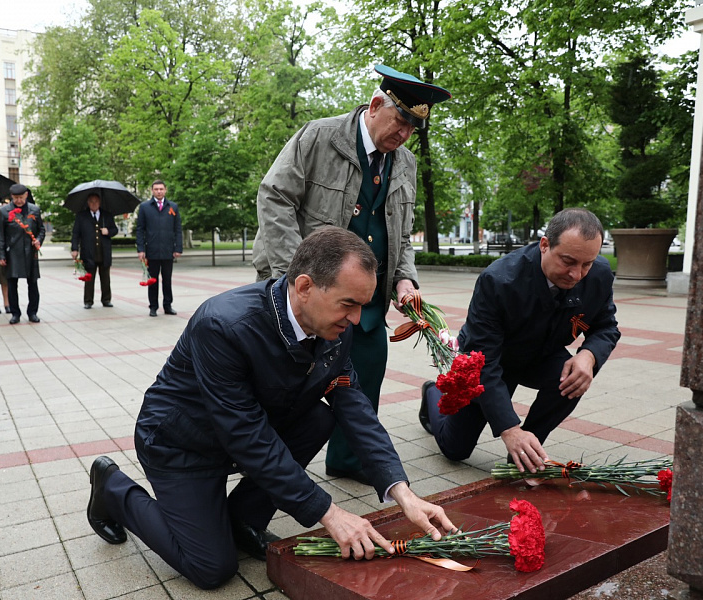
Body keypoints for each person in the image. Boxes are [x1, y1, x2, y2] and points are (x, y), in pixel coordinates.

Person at [86, 228, 455, 590]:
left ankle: (241, 518)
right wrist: (330, 513)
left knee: (318, 419)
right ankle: (113, 490)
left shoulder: (336, 327)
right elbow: (246, 434)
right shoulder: (223, 325)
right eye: (348, 304)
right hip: (182, 442)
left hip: (248, 428)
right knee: (211, 568)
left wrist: (403, 493)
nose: (356, 319)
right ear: (306, 287)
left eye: (362, 305)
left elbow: (353, 405)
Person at [252, 64, 451, 485]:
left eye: (414, 128)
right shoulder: (320, 136)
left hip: (367, 300)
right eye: (400, 121)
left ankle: (348, 459)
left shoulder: (406, 164)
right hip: (308, 294)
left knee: (367, 374)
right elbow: (274, 197)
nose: (404, 134)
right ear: (376, 105)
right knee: (286, 385)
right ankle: (267, 473)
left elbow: (401, 233)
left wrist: (404, 280)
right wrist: (295, 278)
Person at [419, 208, 621, 474]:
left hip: (539, 356)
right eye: (568, 261)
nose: (577, 275)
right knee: (455, 449)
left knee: (572, 378)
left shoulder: (599, 275)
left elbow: (606, 326)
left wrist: (589, 355)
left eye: (587, 264)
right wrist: (509, 429)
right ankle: (432, 392)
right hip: (487, 361)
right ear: (545, 245)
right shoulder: (498, 281)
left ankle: (526, 452)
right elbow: (486, 363)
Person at [0, 183, 45, 324]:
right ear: (11, 197)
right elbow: (0, 235)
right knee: (12, 285)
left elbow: (41, 229)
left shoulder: (34, 210)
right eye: (16, 198)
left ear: (26, 195)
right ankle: (15, 313)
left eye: (21, 197)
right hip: (12, 252)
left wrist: (38, 240)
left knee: (33, 283)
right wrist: (1, 255)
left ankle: (32, 312)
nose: (19, 201)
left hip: (30, 252)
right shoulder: (4, 211)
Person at [136, 179, 182, 316]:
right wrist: (141, 249)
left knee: (167, 279)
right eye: (156, 189)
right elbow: (140, 229)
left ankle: (167, 305)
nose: (159, 191)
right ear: (152, 191)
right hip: (152, 250)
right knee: (153, 280)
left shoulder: (172, 207)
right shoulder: (145, 207)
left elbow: (178, 229)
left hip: (168, 250)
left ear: (165, 190)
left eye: (161, 189)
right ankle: (153, 306)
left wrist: (178, 248)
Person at [71, 193, 119, 309]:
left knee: (105, 278)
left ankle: (106, 299)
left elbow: (115, 229)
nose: (94, 204)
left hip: (104, 252)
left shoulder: (106, 215)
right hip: (88, 252)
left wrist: (108, 231)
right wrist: (74, 248)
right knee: (89, 278)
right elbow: (76, 234)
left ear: (100, 202)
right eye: (91, 201)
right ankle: (88, 301)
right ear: (88, 203)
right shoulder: (81, 216)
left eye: (96, 201)